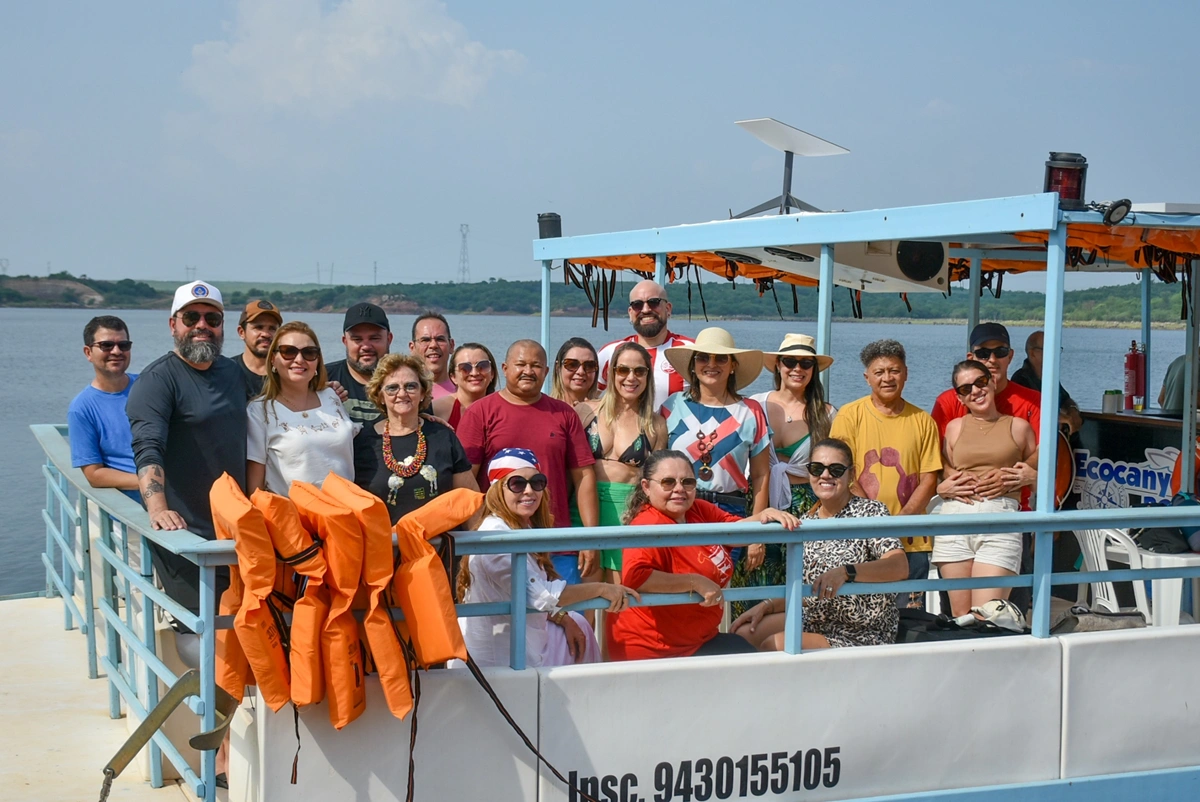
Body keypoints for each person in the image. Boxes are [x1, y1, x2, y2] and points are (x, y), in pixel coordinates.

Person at [126, 280, 248, 613]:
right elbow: (147, 447)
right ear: (173, 325)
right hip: (189, 534)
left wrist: (328, 391)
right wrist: (157, 508)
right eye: (191, 317)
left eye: (212, 319)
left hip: (237, 531)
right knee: (202, 631)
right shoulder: (157, 381)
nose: (202, 327)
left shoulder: (233, 372)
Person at [607, 450, 799, 660]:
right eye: (668, 482)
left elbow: (734, 530)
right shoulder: (648, 524)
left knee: (750, 663)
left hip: (698, 640)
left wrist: (763, 516)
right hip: (657, 649)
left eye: (687, 482)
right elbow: (636, 577)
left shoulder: (696, 509)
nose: (679, 489)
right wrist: (695, 582)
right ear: (646, 487)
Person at [456, 449, 638, 668]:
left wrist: (563, 618)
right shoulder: (495, 536)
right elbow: (541, 596)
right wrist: (602, 589)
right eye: (517, 484)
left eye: (537, 482)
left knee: (579, 623)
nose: (529, 491)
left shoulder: (521, 528)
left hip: (526, 641)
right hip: (501, 660)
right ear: (497, 489)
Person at [732, 438, 907, 651]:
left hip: (860, 629)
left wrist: (846, 572)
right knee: (742, 635)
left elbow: (899, 566)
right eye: (817, 468)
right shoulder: (808, 521)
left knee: (775, 645)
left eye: (836, 469)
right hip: (816, 619)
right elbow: (808, 592)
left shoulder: (870, 512)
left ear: (851, 474)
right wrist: (767, 606)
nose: (825, 475)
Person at [456, 340, 599, 583]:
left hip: (556, 541)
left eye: (536, 365)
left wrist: (590, 537)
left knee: (564, 614)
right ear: (504, 368)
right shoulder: (480, 412)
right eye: (520, 364)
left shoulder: (564, 413)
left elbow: (584, 476)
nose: (528, 371)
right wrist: (476, 534)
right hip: (498, 542)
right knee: (501, 617)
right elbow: (464, 479)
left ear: (545, 371)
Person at [829, 339, 941, 609]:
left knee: (908, 616)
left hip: (912, 540)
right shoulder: (849, 415)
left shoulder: (923, 420)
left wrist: (901, 522)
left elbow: (929, 478)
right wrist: (875, 519)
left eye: (894, 370)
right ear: (867, 378)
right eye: (879, 372)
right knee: (861, 611)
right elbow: (840, 472)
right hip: (861, 535)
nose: (887, 378)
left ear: (906, 373)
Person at [662, 327, 771, 594]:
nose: (711, 365)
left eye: (721, 359)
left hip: (730, 512)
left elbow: (760, 476)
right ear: (693, 364)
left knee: (718, 591)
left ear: (733, 366)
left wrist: (757, 533)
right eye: (703, 358)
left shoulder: (751, 412)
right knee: (679, 589)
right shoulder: (671, 407)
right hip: (679, 509)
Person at [934, 360, 1038, 616]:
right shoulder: (954, 428)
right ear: (959, 397)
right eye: (965, 389)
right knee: (960, 618)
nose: (975, 391)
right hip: (955, 520)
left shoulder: (1019, 427)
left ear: (992, 382)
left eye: (980, 383)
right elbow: (941, 472)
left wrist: (1031, 475)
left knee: (988, 615)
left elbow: (1038, 479)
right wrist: (943, 487)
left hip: (1000, 519)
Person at [747, 334, 837, 595]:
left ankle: (797, 636)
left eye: (805, 363)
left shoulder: (828, 413)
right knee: (757, 579)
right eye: (790, 361)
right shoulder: (756, 404)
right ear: (778, 365)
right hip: (758, 500)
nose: (797, 369)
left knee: (802, 582)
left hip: (807, 505)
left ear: (813, 370)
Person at [574, 342, 669, 578]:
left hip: (628, 515)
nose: (631, 378)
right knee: (585, 599)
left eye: (639, 371)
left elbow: (654, 482)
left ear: (648, 376)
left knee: (619, 599)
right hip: (583, 512)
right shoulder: (585, 411)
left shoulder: (655, 424)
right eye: (623, 370)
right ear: (611, 372)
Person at [361, 353, 478, 523]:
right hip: (387, 547)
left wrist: (476, 548)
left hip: (440, 546)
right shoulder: (363, 442)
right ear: (380, 396)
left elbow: (470, 501)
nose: (402, 393)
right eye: (392, 388)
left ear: (423, 393)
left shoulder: (443, 436)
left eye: (410, 386)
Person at [245, 322, 355, 496]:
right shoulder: (260, 411)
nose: (299, 359)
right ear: (273, 359)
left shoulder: (332, 396)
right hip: (294, 517)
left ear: (317, 361)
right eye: (288, 352)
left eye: (309, 353)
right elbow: (255, 488)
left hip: (344, 512)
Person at [69, 315, 140, 501]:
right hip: (128, 507)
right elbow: (94, 474)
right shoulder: (82, 408)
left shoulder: (148, 386)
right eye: (106, 345)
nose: (116, 351)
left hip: (175, 498)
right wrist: (151, 483)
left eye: (123, 345)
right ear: (88, 352)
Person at [596, 280, 695, 410]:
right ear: (630, 313)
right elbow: (586, 396)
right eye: (637, 305)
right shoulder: (610, 352)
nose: (646, 309)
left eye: (654, 302)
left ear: (668, 308)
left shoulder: (691, 350)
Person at [326, 302, 393, 484]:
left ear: (389, 339)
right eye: (357, 339)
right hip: (338, 485)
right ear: (345, 341)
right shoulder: (322, 379)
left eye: (374, 338)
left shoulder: (407, 381)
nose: (366, 346)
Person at [1011, 330, 1082, 434]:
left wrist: (1072, 410)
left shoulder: (1049, 378)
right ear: (1032, 353)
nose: (1054, 354)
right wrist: (1061, 419)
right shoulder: (1020, 379)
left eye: (1056, 349)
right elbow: (1029, 412)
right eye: (1048, 349)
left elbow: (1065, 399)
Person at [432, 342, 497, 430]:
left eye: (482, 366)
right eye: (465, 368)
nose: (474, 373)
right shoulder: (436, 410)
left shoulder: (503, 411)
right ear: (453, 377)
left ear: (492, 373)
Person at [232, 299, 282, 394]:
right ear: (241, 332)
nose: (266, 334)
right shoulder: (226, 371)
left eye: (272, 328)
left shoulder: (287, 374)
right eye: (258, 327)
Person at [409, 311, 457, 400]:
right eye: (425, 340)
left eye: (440, 339)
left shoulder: (464, 393)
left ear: (451, 345)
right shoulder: (403, 394)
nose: (433, 345)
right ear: (412, 348)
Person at [550, 337, 600, 406]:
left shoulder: (606, 413)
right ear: (558, 368)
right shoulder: (545, 411)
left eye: (589, 365)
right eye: (572, 364)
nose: (581, 371)